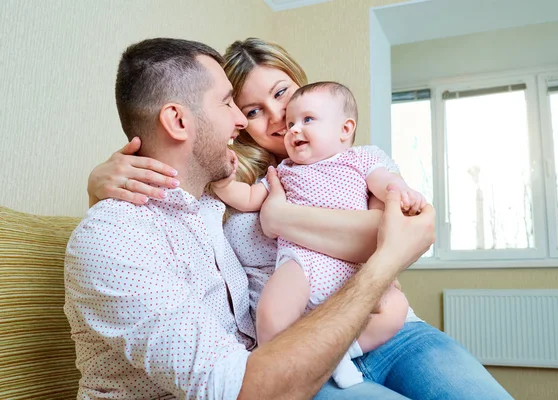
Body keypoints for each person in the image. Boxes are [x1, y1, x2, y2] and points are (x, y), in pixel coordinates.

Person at [86, 38, 512, 399]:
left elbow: (390, 237)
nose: (274, 118)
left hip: (387, 329)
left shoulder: (354, 160)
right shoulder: (225, 178)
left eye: (281, 93)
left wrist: (280, 217)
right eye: (248, 109)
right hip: (298, 348)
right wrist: (97, 186)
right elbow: (158, 212)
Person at [212, 81, 427, 388]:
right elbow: (248, 198)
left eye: (306, 120)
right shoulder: (283, 170)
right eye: (291, 124)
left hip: (355, 273)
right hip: (301, 262)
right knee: (272, 313)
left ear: (345, 129)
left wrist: (404, 193)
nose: (291, 129)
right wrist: (222, 183)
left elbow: (386, 187)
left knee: (394, 309)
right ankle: (284, 366)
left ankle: (340, 354)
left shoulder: (362, 159)